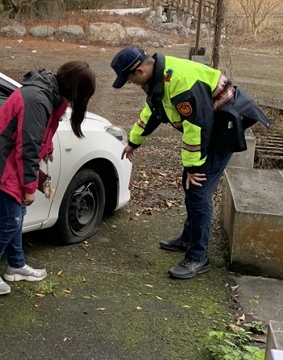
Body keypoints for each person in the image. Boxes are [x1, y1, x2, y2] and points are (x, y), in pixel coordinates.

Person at [110, 46, 271, 279]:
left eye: (128, 79)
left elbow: (197, 128)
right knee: (191, 186)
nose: (130, 84)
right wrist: (134, 142)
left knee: (198, 190)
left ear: (141, 70)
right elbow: (153, 111)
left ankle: (198, 257)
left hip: (223, 129)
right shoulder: (160, 77)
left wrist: (193, 168)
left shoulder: (180, 83)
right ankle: (189, 237)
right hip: (210, 128)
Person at [0, 61, 96, 295]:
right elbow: (27, 146)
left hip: (10, 162)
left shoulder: (49, 94)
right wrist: (29, 186)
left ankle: (16, 266)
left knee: (17, 217)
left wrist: (47, 149)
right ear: (76, 90)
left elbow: (36, 135)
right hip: (0, 164)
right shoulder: (38, 99)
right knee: (9, 222)